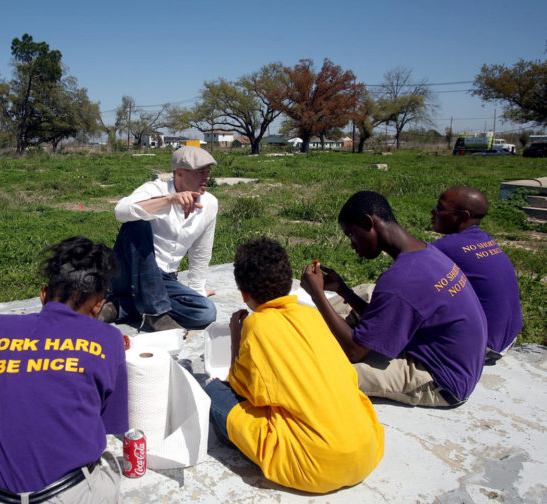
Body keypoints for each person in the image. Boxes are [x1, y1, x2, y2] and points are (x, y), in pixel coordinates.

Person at [0, 237, 128, 504]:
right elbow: (107, 422)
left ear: (43, 294)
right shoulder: (107, 339)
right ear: (99, 303)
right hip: (68, 493)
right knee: (107, 462)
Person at [204, 238, 384, 493]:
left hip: (315, 466)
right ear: (288, 283)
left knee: (214, 392)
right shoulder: (311, 314)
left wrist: (237, 335)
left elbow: (242, 390)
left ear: (244, 293)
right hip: (367, 451)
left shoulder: (256, 326)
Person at [301, 191, 487, 407]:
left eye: (351, 234)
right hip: (457, 363)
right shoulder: (425, 253)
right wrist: (345, 291)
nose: (352, 245)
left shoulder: (401, 279)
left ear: (368, 222)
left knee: (315, 372)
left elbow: (355, 351)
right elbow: (382, 320)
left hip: (441, 380)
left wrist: (317, 295)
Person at [98, 146, 218, 332]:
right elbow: (121, 211)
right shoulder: (155, 188)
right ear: (179, 173)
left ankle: (122, 307)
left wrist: (197, 291)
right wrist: (169, 200)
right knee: (138, 221)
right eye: (200, 172)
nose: (207, 177)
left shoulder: (210, 203)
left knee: (205, 312)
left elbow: (201, 251)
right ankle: (155, 314)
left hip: (163, 280)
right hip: (127, 273)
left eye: (208, 172)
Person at [431, 186, 523, 362]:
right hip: (507, 338)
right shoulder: (485, 239)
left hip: (483, 346)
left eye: (440, 208)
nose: (433, 212)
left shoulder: (446, 247)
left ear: (462, 216)